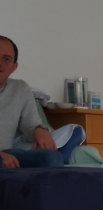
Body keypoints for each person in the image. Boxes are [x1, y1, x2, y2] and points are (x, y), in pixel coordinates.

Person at [0, 35, 64, 169]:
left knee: (51, 158)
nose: (0, 63)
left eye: (6, 59)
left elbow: (31, 125)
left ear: (13, 67)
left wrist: (39, 130)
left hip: (7, 155)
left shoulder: (20, 88)